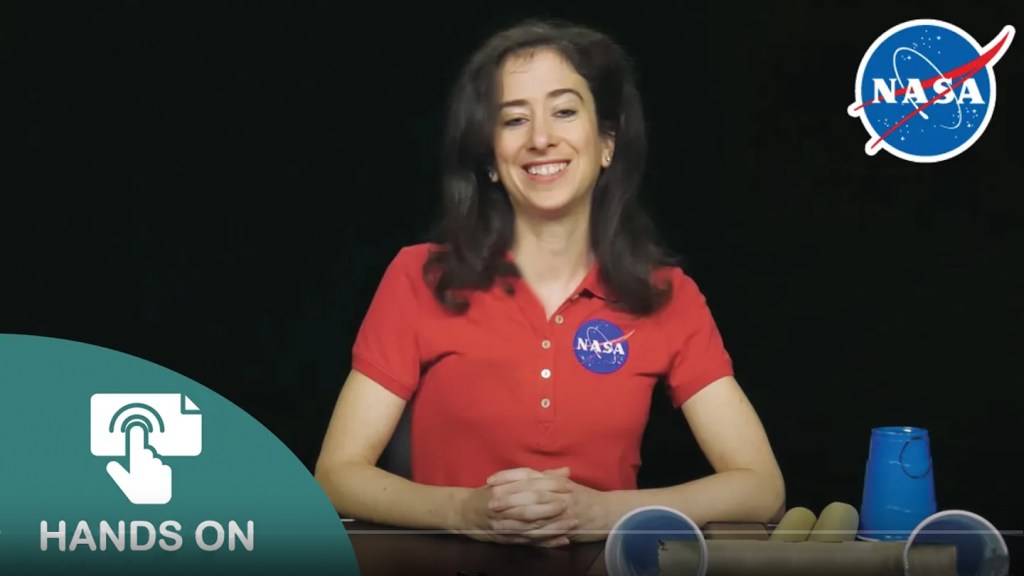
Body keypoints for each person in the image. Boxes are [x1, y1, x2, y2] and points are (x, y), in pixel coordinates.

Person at [314, 18, 785, 548]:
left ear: (606, 142)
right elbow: (335, 476)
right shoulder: (420, 276)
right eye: (514, 120)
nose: (541, 139)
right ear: (491, 159)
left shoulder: (667, 294)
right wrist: (463, 510)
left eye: (564, 111)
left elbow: (761, 487)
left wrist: (607, 512)